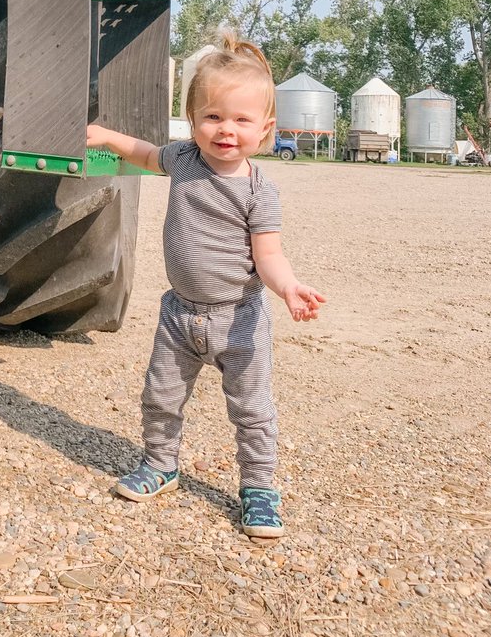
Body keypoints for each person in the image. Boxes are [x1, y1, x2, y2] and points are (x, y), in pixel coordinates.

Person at [86, 31, 325, 538]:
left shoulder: (261, 191)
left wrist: (288, 288)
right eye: (213, 117)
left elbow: (269, 256)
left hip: (238, 318)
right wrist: (107, 137)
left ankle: (259, 489)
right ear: (192, 121)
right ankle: (160, 464)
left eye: (241, 120)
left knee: (251, 409)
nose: (226, 131)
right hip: (179, 314)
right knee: (160, 396)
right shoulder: (184, 161)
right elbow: (147, 154)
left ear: (265, 128)